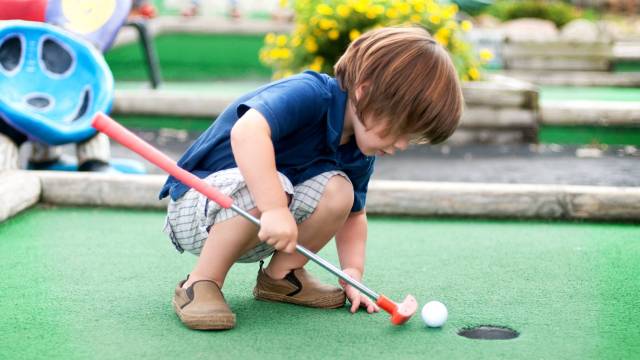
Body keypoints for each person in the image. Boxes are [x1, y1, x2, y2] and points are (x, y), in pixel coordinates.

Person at [160, 26, 463, 330]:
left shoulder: (359, 152)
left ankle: (281, 278)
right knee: (273, 185)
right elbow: (247, 132)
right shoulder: (309, 93)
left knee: (340, 191)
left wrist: (352, 273)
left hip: (262, 223)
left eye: (411, 138)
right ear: (365, 91)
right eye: (401, 129)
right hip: (197, 206)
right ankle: (200, 283)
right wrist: (275, 209)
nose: (400, 145)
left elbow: (354, 216)